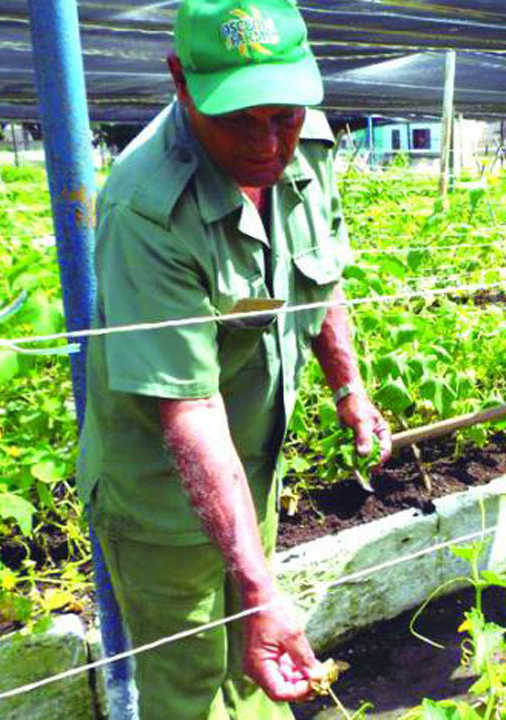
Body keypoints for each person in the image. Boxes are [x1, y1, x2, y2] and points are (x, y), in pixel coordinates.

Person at [75, 1, 392, 717]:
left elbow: (322, 273)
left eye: (280, 117)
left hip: (249, 466)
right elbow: (188, 406)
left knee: (256, 671)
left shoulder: (305, 136)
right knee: (190, 689)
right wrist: (259, 590)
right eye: (239, 122)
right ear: (181, 82)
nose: (266, 143)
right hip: (160, 491)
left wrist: (351, 386)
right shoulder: (146, 208)